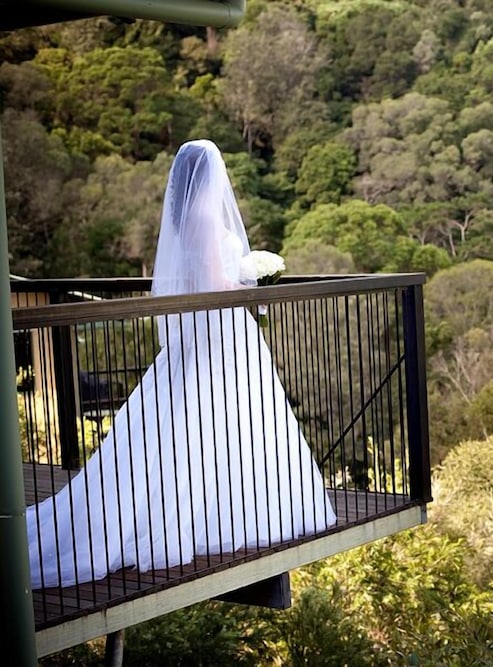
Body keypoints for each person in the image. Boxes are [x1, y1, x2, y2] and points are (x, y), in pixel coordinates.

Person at [26, 139, 335, 589]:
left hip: (212, 332)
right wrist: (253, 286)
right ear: (209, 176)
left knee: (211, 419)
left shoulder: (185, 218)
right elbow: (213, 283)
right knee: (218, 418)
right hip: (219, 332)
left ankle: (219, 504)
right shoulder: (205, 218)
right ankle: (218, 512)